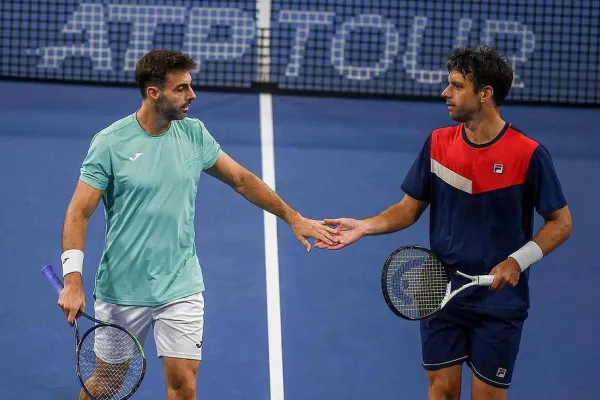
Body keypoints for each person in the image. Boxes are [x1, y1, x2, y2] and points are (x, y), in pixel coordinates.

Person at [57, 49, 338, 400]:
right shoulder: (110, 144)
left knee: (183, 386)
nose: (193, 95)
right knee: (107, 384)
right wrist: (72, 280)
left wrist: (292, 216)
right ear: (154, 93)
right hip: (122, 289)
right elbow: (78, 212)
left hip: (181, 285)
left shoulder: (194, 134)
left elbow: (240, 179)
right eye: (182, 88)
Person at [315, 46, 572, 399]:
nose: (445, 93)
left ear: (485, 94)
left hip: (499, 303)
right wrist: (364, 225)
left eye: (456, 86)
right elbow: (408, 208)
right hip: (438, 288)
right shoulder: (438, 143)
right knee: (442, 392)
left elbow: (561, 222)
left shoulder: (528, 154)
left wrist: (518, 261)